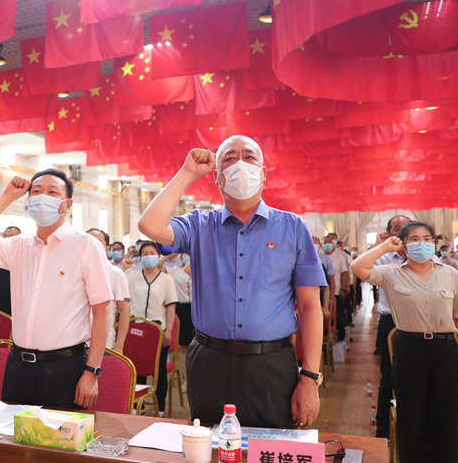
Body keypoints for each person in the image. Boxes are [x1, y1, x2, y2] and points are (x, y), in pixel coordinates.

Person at [138, 136, 326, 429]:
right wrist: (187, 173)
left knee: (270, 449)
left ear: (263, 173)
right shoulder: (199, 225)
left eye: (249, 157)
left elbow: (310, 307)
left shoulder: (292, 227)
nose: (240, 164)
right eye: (229, 158)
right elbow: (149, 225)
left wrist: (310, 378)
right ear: (217, 176)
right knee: (207, 448)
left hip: (270, 363)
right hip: (209, 361)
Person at [0, 169, 112, 409]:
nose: (43, 197)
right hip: (19, 366)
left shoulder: (86, 246)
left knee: (61, 433)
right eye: (36, 192)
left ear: (67, 204)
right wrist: (7, 196)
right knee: (11, 430)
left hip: (65, 367)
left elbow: (102, 312)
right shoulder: (18, 246)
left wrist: (92, 372)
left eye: (52, 192)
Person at [352, 222, 458, 463]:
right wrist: (384, 246)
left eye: (427, 238)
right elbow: (358, 267)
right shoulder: (391, 273)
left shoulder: (450, 273)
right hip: (409, 348)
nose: (422, 243)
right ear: (404, 245)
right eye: (414, 239)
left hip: (445, 347)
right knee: (411, 413)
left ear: (435, 242)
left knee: (448, 413)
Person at [127, 241, 177, 416]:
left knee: (159, 371)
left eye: (152, 253)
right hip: (135, 331)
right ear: (140, 257)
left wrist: (169, 330)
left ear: (158, 256)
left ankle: (160, 408)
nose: (149, 256)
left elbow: (171, 306)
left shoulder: (167, 279)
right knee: (135, 370)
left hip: (157, 332)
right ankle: (136, 406)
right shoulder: (132, 277)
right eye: (145, 254)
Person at [372, 214, 410, 439]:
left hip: (420, 322)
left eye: (407, 227)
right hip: (391, 322)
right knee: (388, 377)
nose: (403, 231)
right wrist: (379, 246)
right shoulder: (384, 258)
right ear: (389, 233)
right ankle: (384, 428)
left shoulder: (428, 257)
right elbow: (361, 267)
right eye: (397, 228)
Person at [87, 228, 130, 353]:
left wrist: (119, 344)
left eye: (98, 241)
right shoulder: (75, 272)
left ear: (107, 248)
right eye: (89, 240)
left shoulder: (116, 274)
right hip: (76, 344)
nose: (93, 244)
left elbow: (125, 310)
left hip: (104, 343)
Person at [165, 251, 193, 393]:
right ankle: (186, 380)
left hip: (198, 308)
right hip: (182, 309)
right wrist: (170, 253)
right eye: (185, 253)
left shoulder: (200, 268)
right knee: (184, 348)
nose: (187, 256)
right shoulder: (174, 270)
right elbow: (158, 267)